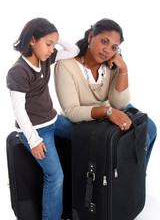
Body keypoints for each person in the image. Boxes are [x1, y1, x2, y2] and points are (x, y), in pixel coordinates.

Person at [54, 18, 157, 167]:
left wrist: (123, 69)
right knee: (124, 139)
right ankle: (120, 183)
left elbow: (120, 104)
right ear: (90, 37)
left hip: (109, 113)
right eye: (104, 41)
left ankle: (135, 180)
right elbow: (72, 111)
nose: (108, 50)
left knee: (149, 128)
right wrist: (108, 112)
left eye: (114, 47)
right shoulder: (65, 66)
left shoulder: (111, 66)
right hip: (83, 119)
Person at [6, 17, 79, 220]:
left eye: (53, 45)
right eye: (47, 44)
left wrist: (54, 37)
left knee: (84, 136)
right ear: (32, 40)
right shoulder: (18, 71)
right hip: (36, 130)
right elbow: (18, 110)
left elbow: (73, 51)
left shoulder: (45, 58)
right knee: (55, 177)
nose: (51, 49)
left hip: (54, 120)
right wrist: (34, 140)